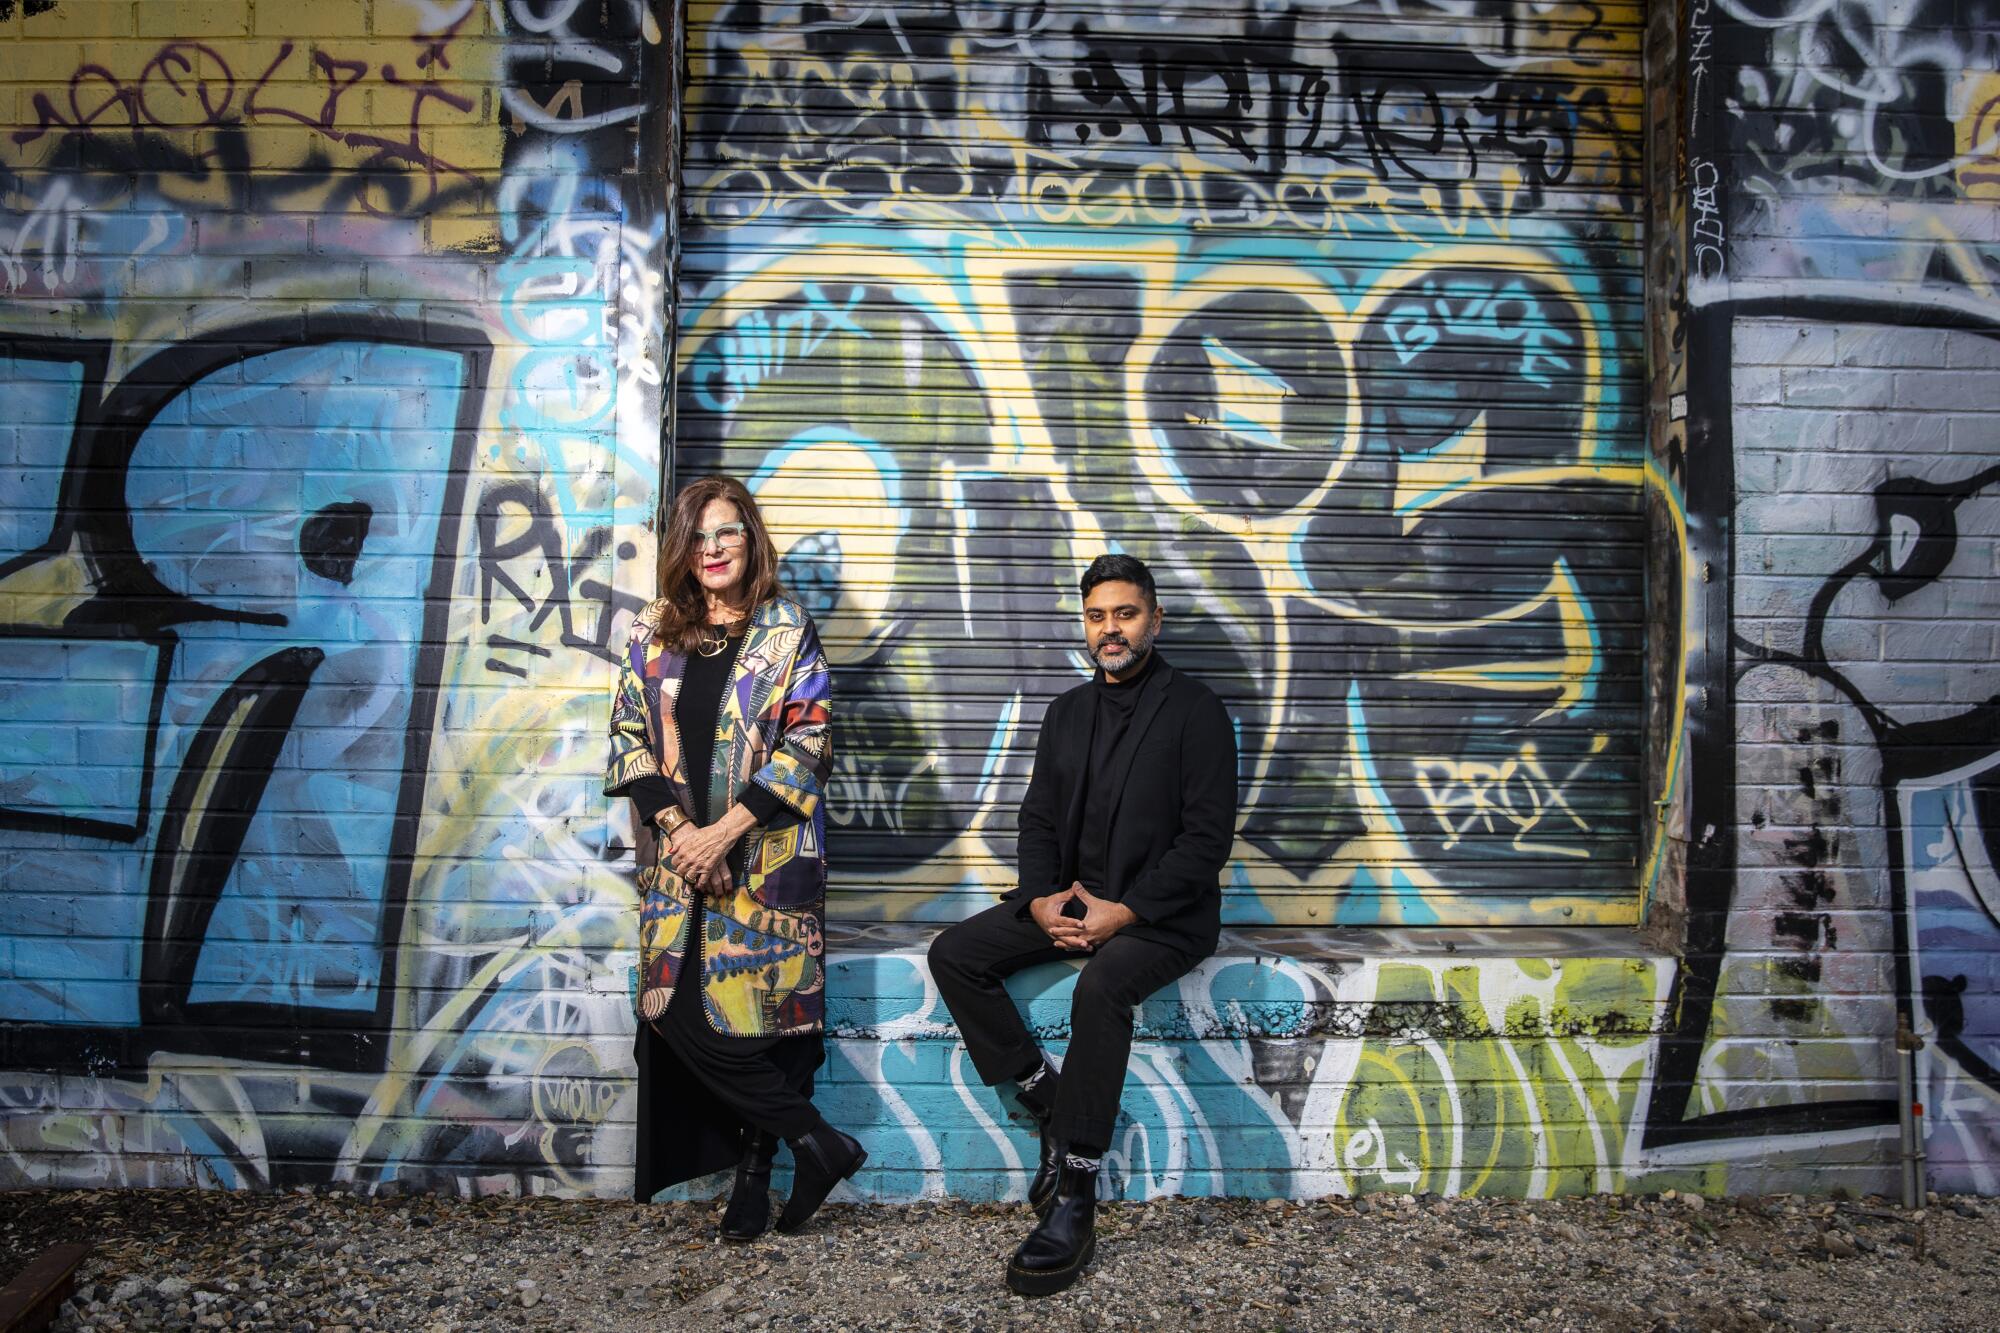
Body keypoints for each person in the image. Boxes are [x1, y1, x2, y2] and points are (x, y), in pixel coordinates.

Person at [927, 553, 1238, 1295]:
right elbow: (1036, 819)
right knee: (955, 953)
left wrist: (1123, 913)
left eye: (1125, 613)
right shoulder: (1066, 711)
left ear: (1154, 620)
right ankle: (1048, 1098)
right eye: (1098, 615)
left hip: (1162, 916)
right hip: (1069, 902)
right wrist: (1039, 901)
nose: (1111, 629)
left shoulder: (1196, 711)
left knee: (1099, 991)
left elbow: (1207, 840)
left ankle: (1076, 1192)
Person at [606, 474, 863, 1239]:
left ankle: (756, 1176)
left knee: (763, 1026)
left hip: (765, 865)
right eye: (698, 535)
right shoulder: (654, 630)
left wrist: (726, 834)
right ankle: (818, 1143)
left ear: (752, 540)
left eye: (728, 531)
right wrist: (685, 836)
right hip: (680, 867)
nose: (712, 548)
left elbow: (809, 740)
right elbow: (628, 737)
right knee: (670, 1011)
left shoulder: (787, 628)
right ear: (681, 548)